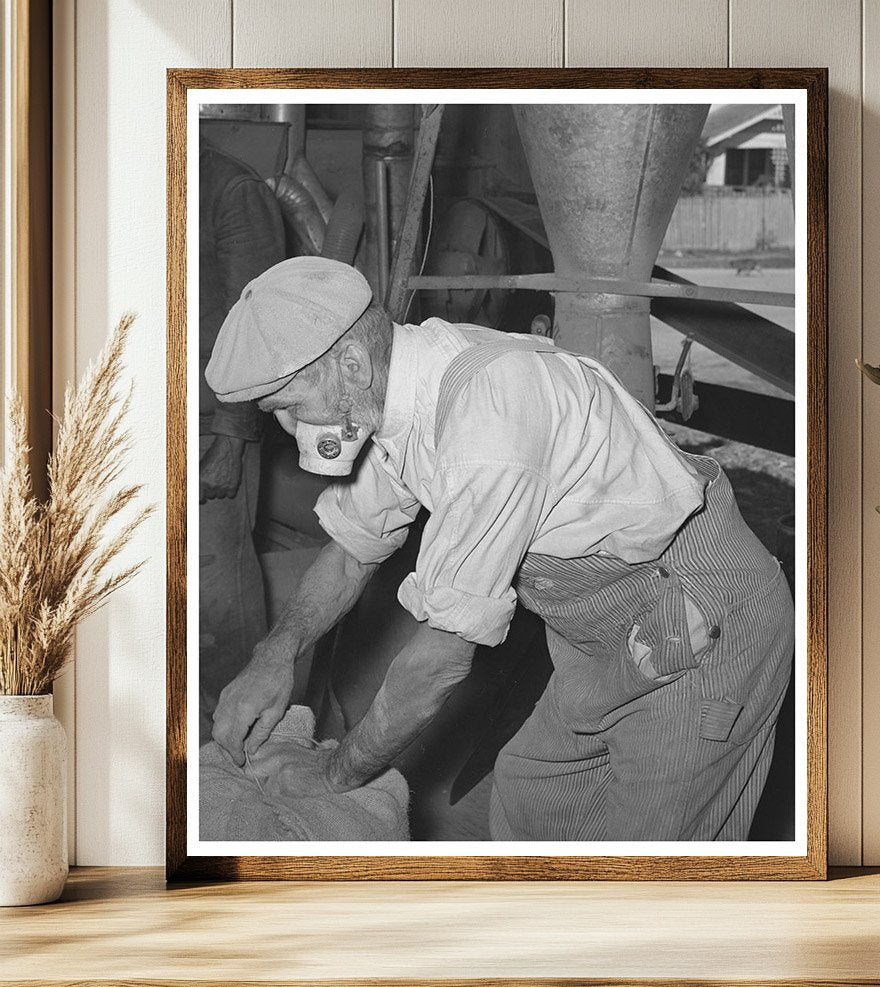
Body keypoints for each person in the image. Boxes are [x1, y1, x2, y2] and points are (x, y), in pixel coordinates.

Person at [205, 256, 794, 842]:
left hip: (696, 613)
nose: (288, 427)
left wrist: (330, 776)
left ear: (351, 364)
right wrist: (274, 656)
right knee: (535, 797)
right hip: (598, 633)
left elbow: (437, 663)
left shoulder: (486, 419)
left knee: (650, 855)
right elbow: (352, 549)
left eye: (288, 406)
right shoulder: (397, 391)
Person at [198, 140, 286, 741]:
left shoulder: (231, 190)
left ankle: (244, 742)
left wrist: (231, 436)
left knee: (218, 595)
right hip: (132, 413)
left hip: (207, 426)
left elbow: (253, 327)